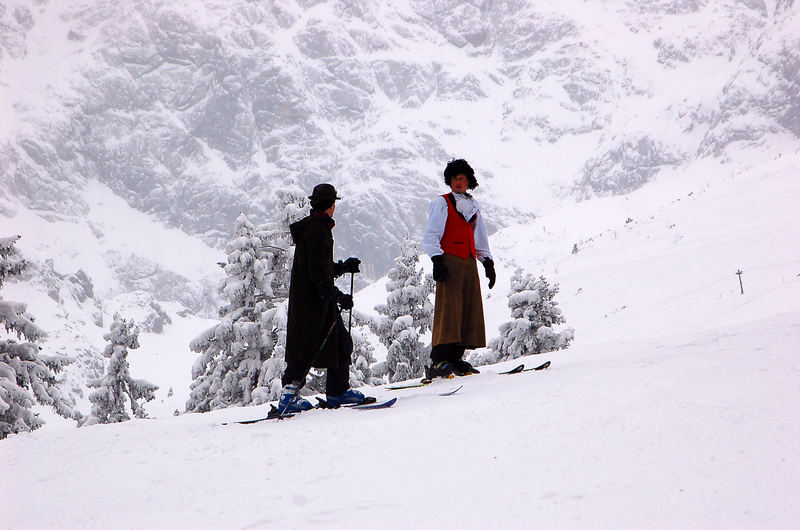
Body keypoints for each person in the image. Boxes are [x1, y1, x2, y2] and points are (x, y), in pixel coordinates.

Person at [279, 183, 367, 412]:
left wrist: (342, 268)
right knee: (307, 347)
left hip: (312, 300)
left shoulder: (315, 228)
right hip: (314, 303)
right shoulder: (318, 230)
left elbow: (319, 266)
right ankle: (292, 397)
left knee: (337, 343)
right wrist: (337, 296)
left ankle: (336, 392)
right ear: (331, 205)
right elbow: (317, 272)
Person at [422, 159, 496, 379]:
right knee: (449, 309)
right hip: (449, 261)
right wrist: (437, 259)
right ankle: (439, 360)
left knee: (466, 307)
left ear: (468, 180)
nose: (458, 182)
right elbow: (432, 233)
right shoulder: (442, 203)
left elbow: (479, 235)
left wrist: (487, 262)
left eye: (462, 178)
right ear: (449, 180)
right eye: (454, 178)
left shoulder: (473, 206)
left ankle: (456, 357)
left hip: (468, 262)